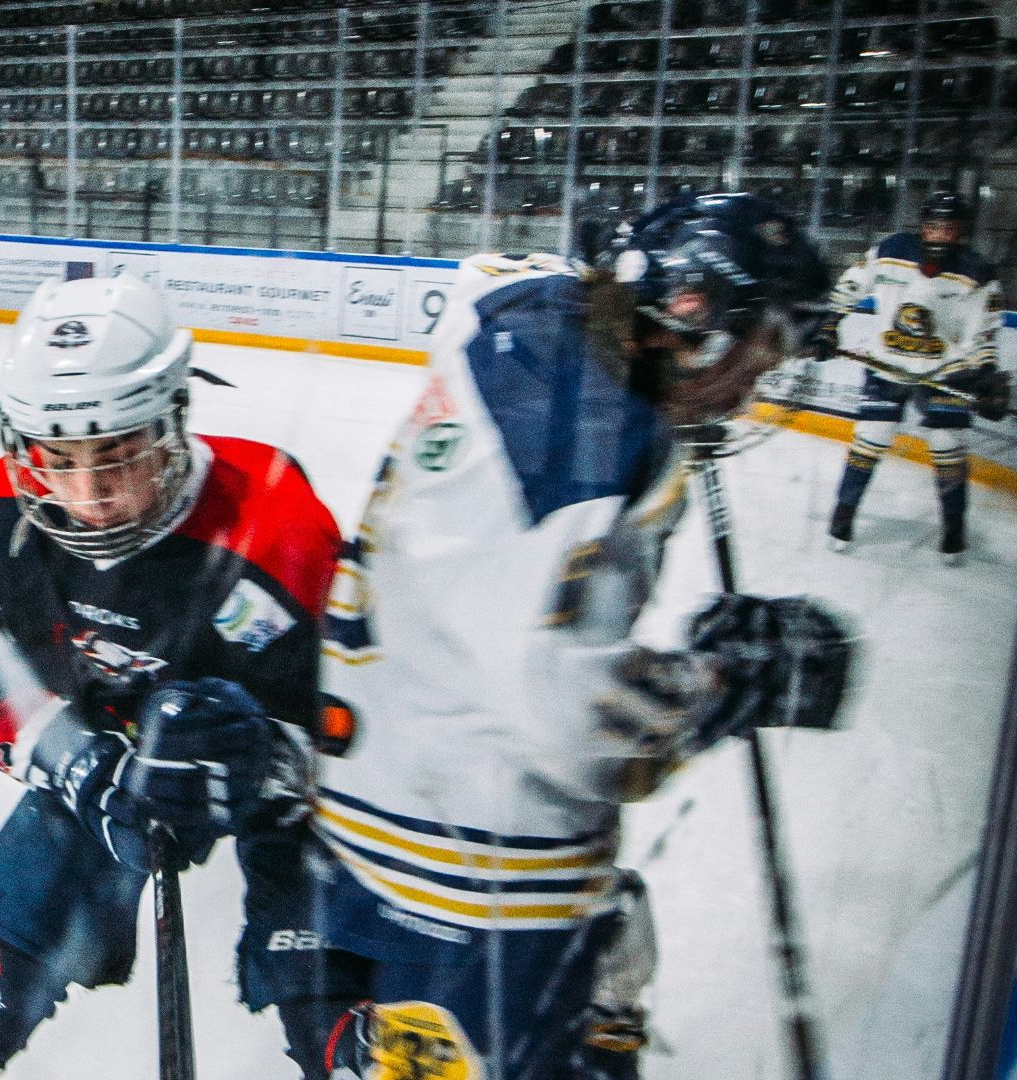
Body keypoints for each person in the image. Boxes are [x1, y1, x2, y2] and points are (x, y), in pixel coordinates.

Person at [309, 194, 855, 1080]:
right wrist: (728, 682)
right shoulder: (593, 423)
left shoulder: (542, 336)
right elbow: (570, 717)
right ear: (695, 315)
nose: (760, 384)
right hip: (471, 864)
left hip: (397, 788)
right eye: (767, 348)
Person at [0, 273, 345, 1079]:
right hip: (103, 750)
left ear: (173, 421)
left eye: (117, 455)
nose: (88, 494)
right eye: (56, 459)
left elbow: (349, 739)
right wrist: (88, 771)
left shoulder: (276, 527)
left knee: (337, 997)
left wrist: (256, 764)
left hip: (252, 763)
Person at [819, 190, 1009, 564]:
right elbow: (853, 282)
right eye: (934, 227)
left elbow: (985, 332)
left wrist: (985, 373)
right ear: (923, 227)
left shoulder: (977, 273)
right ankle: (843, 516)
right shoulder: (892, 250)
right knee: (870, 438)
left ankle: (953, 529)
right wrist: (830, 324)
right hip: (886, 364)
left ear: (961, 233)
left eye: (949, 229)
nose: (940, 235)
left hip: (945, 371)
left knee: (946, 447)